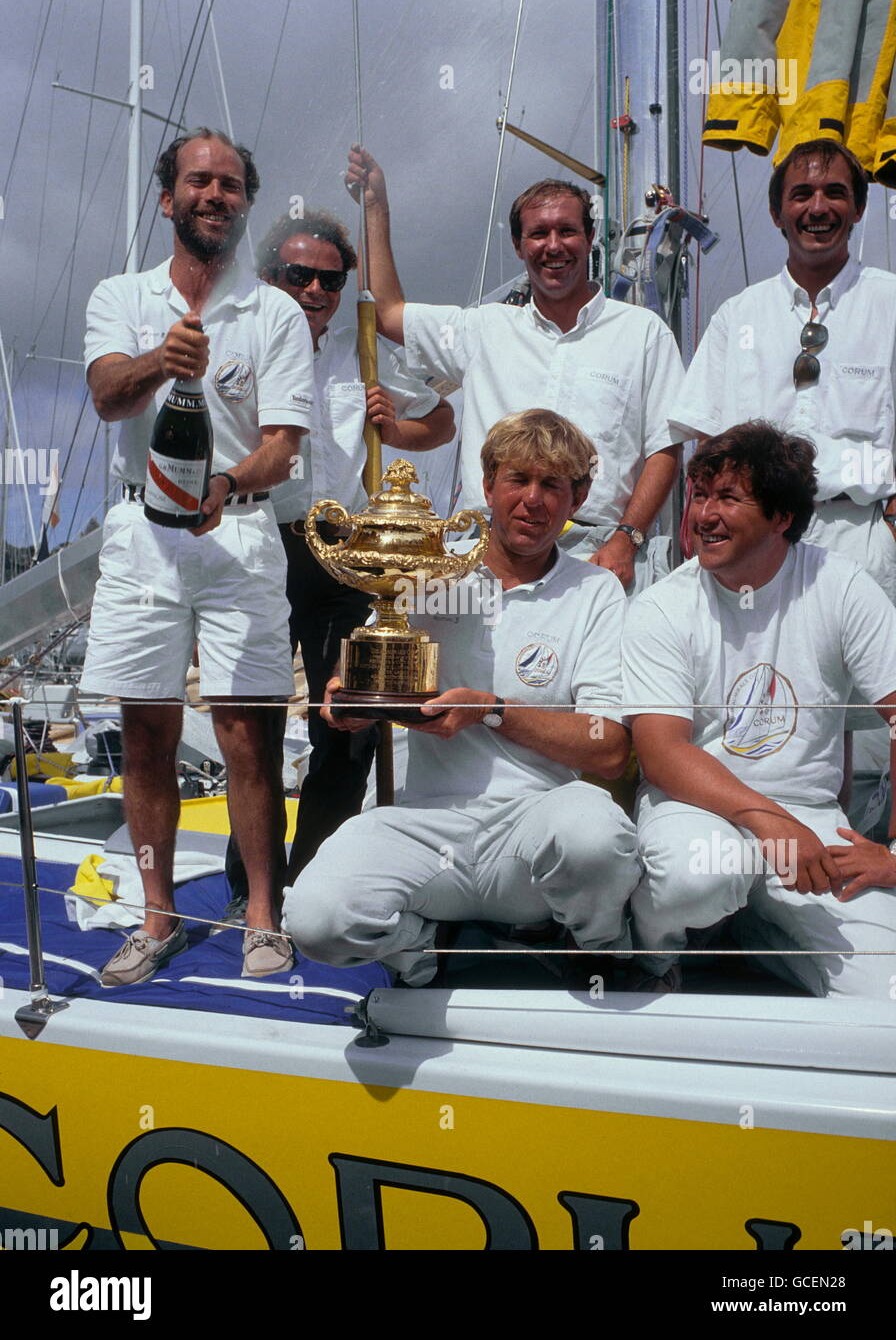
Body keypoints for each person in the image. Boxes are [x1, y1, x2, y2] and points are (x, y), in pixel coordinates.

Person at [281, 409, 641, 985]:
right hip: (419, 823)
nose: (532, 500)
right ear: (488, 485)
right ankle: (427, 949)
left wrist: (492, 710)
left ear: (578, 498)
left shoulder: (594, 591)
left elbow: (610, 750)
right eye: (518, 479)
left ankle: (593, 946)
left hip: (534, 826)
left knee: (595, 836)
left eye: (552, 485)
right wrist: (347, 702)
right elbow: (363, 685)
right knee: (314, 917)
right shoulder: (421, 576)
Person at [80, 127, 315, 985]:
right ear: (167, 196)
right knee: (145, 735)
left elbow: (284, 445)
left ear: (246, 201)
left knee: (249, 733)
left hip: (240, 532)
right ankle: (157, 915)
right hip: (144, 537)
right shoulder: (121, 295)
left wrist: (225, 486)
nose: (214, 195)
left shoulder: (276, 310)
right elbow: (108, 398)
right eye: (198, 182)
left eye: (229, 185)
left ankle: (262, 914)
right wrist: (158, 360)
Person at [218, 209, 454, 917]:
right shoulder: (240, 344)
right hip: (261, 543)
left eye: (330, 277)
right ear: (270, 279)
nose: (316, 288)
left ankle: (311, 886)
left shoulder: (365, 349)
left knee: (349, 724)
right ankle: (249, 890)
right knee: (252, 722)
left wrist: (395, 425)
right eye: (300, 275)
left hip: (346, 557)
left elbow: (439, 421)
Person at [343, 147, 696, 593]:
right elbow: (388, 312)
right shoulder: (482, 328)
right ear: (518, 245)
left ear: (589, 239)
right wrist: (375, 206)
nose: (553, 246)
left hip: (600, 556)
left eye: (567, 231)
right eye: (538, 234)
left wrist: (628, 538)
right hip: (489, 553)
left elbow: (665, 450)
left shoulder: (644, 333)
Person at [622, 422, 896, 998]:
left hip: (811, 821)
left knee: (888, 989)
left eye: (729, 497)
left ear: (782, 518)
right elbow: (662, 753)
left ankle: (752, 927)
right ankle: (652, 958)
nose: (704, 514)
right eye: (700, 494)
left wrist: (893, 854)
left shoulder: (842, 586)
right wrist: (768, 820)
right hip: (693, 810)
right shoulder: (662, 606)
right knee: (701, 877)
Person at [673, 139, 896, 597]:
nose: (818, 207)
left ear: (857, 208)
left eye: (835, 192)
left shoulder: (890, 303)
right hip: (752, 536)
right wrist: (702, 523)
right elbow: (708, 437)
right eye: (801, 194)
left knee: (867, 671)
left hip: (860, 535)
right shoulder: (737, 315)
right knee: (753, 670)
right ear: (777, 213)